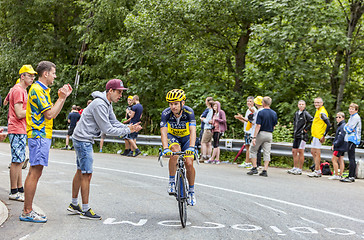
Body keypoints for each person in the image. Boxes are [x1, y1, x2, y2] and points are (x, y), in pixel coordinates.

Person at [68, 79, 142, 220]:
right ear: (110, 91)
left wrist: (128, 128)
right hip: (83, 140)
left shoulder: (106, 103)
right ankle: (85, 210)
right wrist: (127, 129)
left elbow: (113, 122)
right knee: (86, 174)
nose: (121, 95)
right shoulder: (100, 104)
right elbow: (106, 128)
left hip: (81, 137)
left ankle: (73, 204)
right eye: (119, 92)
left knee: (80, 171)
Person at [20, 61, 73, 223]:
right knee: (34, 172)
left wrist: (61, 99)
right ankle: (27, 211)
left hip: (41, 135)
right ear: (46, 74)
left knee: (36, 172)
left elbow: (51, 113)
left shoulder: (41, 90)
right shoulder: (37, 89)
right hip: (39, 135)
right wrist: (62, 98)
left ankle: (27, 210)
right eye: (53, 73)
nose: (55, 76)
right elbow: (50, 114)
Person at [160, 89, 197, 206]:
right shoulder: (166, 113)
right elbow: (164, 132)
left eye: (176, 103)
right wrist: (165, 148)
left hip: (186, 138)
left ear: (182, 103)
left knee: (189, 163)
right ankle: (171, 181)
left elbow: (193, 131)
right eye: (171, 104)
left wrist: (191, 147)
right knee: (175, 152)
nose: (173, 106)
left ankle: (191, 191)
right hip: (173, 137)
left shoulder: (189, 112)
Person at [8, 65, 36, 202]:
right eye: (30, 75)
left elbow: (7, 101)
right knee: (16, 161)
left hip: (20, 129)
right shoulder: (19, 90)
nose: (32, 78)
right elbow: (19, 113)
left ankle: (19, 188)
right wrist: (34, 110)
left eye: (33, 76)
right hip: (17, 128)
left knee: (19, 160)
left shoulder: (21, 90)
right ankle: (13, 191)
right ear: (22, 76)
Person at [247, 96, 278, 177]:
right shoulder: (274, 113)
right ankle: (265, 170)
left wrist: (254, 137)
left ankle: (254, 168)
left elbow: (258, 125)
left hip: (261, 133)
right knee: (267, 152)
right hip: (269, 134)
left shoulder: (261, 112)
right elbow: (274, 125)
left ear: (263, 103)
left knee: (253, 149)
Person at [287, 100, 313, 175]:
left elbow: (312, 121)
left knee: (300, 151)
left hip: (302, 136)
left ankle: (300, 169)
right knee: (294, 151)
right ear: (298, 105)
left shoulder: (305, 114)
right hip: (296, 135)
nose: (301, 105)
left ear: (305, 105)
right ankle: (295, 167)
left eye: (302, 104)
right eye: (300, 104)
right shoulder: (296, 113)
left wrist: (306, 129)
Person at [308, 97, 331, 178]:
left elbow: (329, 124)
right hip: (315, 135)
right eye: (315, 102)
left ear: (322, 103)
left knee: (317, 153)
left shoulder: (322, 112)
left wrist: (324, 135)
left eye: (318, 103)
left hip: (319, 136)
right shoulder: (317, 111)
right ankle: (316, 169)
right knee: (312, 152)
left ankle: (317, 171)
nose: (316, 104)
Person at [341, 103, 362, 183]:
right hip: (350, 138)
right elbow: (348, 128)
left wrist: (345, 127)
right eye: (350, 109)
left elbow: (349, 129)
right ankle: (351, 175)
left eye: (352, 109)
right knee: (350, 157)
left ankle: (351, 176)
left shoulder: (355, 117)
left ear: (356, 110)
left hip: (353, 139)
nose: (350, 110)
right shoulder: (351, 117)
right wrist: (347, 127)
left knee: (351, 157)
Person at [234, 96, 256, 168]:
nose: (249, 103)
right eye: (248, 101)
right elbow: (246, 121)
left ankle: (248, 162)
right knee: (247, 146)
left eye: (250, 101)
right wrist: (240, 118)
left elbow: (251, 121)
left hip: (250, 131)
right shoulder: (248, 110)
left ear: (253, 102)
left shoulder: (253, 110)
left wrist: (242, 117)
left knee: (248, 147)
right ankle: (247, 161)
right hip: (247, 130)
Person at [328, 112, 347, 180]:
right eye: (337, 117)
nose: (338, 119)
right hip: (343, 146)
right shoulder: (342, 125)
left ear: (343, 118)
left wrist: (335, 144)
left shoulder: (342, 126)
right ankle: (340, 175)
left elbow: (340, 137)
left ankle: (336, 174)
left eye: (340, 117)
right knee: (341, 159)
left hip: (339, 146)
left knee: (334, 159)